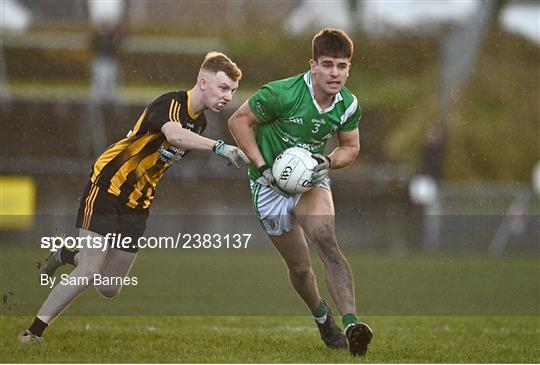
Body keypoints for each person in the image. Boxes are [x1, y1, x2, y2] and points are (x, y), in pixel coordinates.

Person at [19, 52, 247, 343]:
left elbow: (164, 154)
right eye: (224, 88)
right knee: (90, 269)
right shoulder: (171, 103)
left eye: (233, 91)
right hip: (108, 186)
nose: (228, 96)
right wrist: (220, 147)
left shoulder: (200, 124)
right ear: (203, 83)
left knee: (109, 287)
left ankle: (66, 254)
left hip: (138, 203)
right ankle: (32, 333)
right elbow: (174, 136)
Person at [228, 28, 372, 356]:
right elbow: (238, 121)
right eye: (328, 65)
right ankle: (323, 318)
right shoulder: (281, 93)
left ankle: (352, 324)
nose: (335, 73)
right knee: (300, 267)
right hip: (268, 188)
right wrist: (264, 167)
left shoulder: (347, 105)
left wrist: (327, 160)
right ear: (313, 65)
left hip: (311, 181)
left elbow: (350, 147)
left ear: (349, 68)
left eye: (342, 66)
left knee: (325, 239)